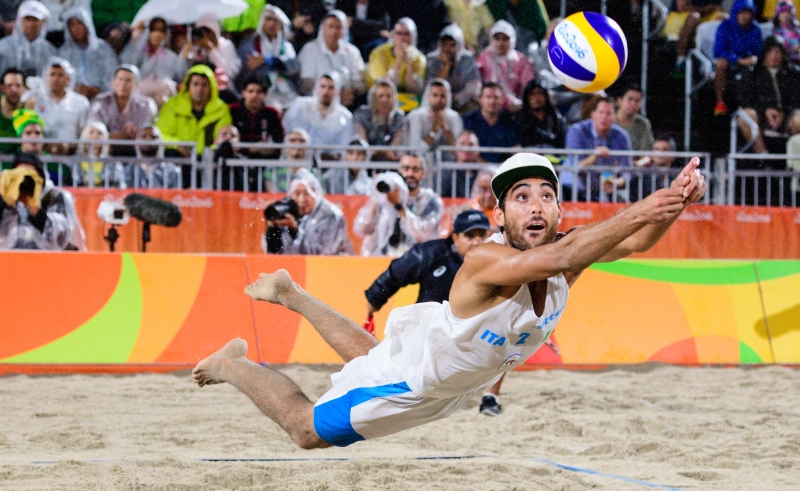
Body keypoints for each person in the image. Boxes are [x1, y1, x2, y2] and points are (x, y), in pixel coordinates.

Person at [192, 153, 707, 449]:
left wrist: (678, 202)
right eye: (520, 196)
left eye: (545, 195)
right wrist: (645, 207)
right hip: (421, 379)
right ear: (500, 215)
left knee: (369, 359)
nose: (535, 205)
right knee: (307, 431)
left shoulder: (567, 257)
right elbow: (571, 249)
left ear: (557, 209)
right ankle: (231, 365)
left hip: (454, 376)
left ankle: (290, 292)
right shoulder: (487, 258)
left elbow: (636, 241)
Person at [364, 208, 491, 322]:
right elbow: (397, 271)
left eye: (482, 235)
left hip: (473, 333)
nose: (477, 242)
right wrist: (374, 298)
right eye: (469, 236)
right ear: (455, 238)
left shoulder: (498, 263)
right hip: (427, 328)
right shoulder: (432, 253)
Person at [353, 154, 443, 256]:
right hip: (380, 259)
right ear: (399, 171)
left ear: (423, 174)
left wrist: (398, 205)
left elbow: (422, 233)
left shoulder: (431, 200)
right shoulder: (385, 197)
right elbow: (360, 230)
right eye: (406, 168)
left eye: (415, 169)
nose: (410, 173)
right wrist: (376, 196)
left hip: (417, 261)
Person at [0, 151, 85, 250]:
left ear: (40, 176)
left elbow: (62, 238)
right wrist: (4, 200)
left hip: (49, 260)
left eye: (29, 176)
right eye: (19, 176)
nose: (24, 181)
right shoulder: (7, 198)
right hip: (9, 259)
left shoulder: (56, 197)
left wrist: (35, 210)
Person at [262, 168, 354, 255]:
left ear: (316, 193)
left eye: (306, 194)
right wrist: (272, 230)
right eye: (297, 194)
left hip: (336, 267)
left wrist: (294, 230)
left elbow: (320, 253)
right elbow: (274, 254)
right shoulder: (288, 212)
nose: (301, 199)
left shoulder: (331, 215)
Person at [156, 64, 233, 158]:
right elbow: (161, 133)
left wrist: (209, 154)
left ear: (211, 87)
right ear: (188, 86)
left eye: (204, 85)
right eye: (195, 84)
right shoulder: (173, 105)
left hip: (209, 162)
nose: (199, 89)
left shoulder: (221, 109)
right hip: (179, 159)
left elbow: (222, 137)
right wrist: (177, 145)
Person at [738, 37, 800, 154]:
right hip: (760, 116)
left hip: (787, 116)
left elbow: (796, 99)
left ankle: (793, 160)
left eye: (777, 52)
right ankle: (763, 156)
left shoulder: (793, 73)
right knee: (746, 115)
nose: (774, 55)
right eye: (770, 51)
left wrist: (783, 112)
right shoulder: (752, 73)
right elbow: (745, 99)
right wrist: (765, 110)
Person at [564, 97, 632, 202]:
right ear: (593, 114)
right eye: (601, 112)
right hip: (574, 188)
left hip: (604, 190)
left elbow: (627, 171)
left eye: (609, 113)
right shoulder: (576, 131)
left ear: (615, 117)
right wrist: (595, 155)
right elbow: (577, 167)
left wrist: (616, 182)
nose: (604, 117)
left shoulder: (622, 136)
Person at [235, 5, 299, 111]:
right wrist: (250, 67)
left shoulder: (286, 46)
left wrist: (268, 61)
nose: (271, 24)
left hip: (284, 91)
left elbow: (293, 67)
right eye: (268, 19)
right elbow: (242, 73)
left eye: (275, 20)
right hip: (259, 91)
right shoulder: (248, 43)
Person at [23, 57, 90, 156]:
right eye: (52, 74)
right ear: (46, 77)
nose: (55, 79)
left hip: (71, 156)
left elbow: (84, 134)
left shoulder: (81, 102)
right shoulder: (33, 98)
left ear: (68, 78)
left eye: (60, 75)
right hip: (40, 154)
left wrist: (69, 147)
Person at [297, 10, 365, 107]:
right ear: (323, 28)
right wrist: (333, 95)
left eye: (338, 28)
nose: (334, 31)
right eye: (330, 26)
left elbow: (359, 83)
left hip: (346, 102)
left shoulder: (352, 52)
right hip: (316, 101)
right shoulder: (310, 49)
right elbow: (305, 84)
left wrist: (350, 91)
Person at [88, 64, 158, 157]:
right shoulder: (100, 102)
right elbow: (94, 136)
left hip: (136, 153)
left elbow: (147, 136)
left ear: (136, 84)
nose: (123, 84)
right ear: (113, 82)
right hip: (106, 152)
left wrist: (133, 134)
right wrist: (123, 136)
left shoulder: (146, 105)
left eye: (128, 80)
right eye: (120, 79)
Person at [121, 17, 188, 107]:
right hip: (139, 100)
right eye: (154, 30)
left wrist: (184, 57)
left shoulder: (171, 57)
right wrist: (135, 38)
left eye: (161, 30)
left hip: (163, 101)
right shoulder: (139, 52)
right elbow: (126, 66)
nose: (157, 34)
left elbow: (180, 76)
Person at [712, 0, 763, 115]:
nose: (745, 16)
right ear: (735, 12)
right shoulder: (724, 26)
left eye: (748, 13)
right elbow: (719, 51)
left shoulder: (756, 30)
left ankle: (750, 106)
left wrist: (753, 59)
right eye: (741, 12)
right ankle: (720, 102)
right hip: (730, 62)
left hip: (747, 64)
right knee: (721, 63)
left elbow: (758, 51)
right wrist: (738, 60)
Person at [57, 7, 118, 99]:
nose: (76, 28)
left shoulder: (102, 47)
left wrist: (99, 89)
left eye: (80, 23)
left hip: (103, 97)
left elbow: (113, 73)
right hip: (74, 99)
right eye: (72, 25)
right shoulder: (64, 52)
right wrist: (77, 89)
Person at [282, 73, 354, 148]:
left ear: (337, 91)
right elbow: (287, 133)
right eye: (322, 86)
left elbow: (344, 147)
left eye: (331, 88)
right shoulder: (300, 106)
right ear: (316, 88)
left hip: (329, 159)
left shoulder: (346, 117)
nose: (326, 92)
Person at [475, 21, 534, 112]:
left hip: (517, 107)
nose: (501, 43)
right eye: (497, 39)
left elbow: (528, 84)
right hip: (491, 106)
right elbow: (479, 86)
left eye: (505, 39)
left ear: (512, 40)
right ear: (491, 40)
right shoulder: (483, 58)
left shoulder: (520, 59)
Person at [425, 24, 481, 115]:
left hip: (461, 102)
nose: (447, 49)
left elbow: (473, 88)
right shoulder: (432, 58)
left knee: (474, 105)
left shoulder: (467, 58)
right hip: (438, 101)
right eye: (444, 44)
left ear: (459, 45)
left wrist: (455, 98)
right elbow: (431, 87)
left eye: (452, 45)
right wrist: (446, 65)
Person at [366, 18, 426, 98]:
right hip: (380, 97)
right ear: (393, 35)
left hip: (409, 99)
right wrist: (398, 60)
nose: (403, 38)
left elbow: (417, 90)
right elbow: (382, 86)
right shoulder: (378, 53)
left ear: (413, 37)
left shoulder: (419, 58)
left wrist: (408, 62)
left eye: (407, 34)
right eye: (399, 33)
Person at [229, 75, 285, 158]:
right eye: (250, 91)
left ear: (265, 94)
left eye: (259, 92)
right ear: (243, 93)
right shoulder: (232, 110)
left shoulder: (272, 114)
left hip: (264, 162)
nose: (254, 95)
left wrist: (270, 148)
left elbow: (280, 141)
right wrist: (250, 148)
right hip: (236, 160)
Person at [463, 83, 520, 163]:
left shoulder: (508, 120)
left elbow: (515, 147)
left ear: (502, 99)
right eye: (488, 97)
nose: (492, 101)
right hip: (476, 168)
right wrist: (487, 167)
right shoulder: (469, 119)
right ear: (480, 99)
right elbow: (465, 149)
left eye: (496, 97)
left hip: (502, 169)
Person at [0, 1, 57, 77]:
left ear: (43, 22)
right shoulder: (3, 47)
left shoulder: (50, 51)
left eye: (35, 20)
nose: (31, 24)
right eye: (27, 19)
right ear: (20, 21)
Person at [353, 78, 405, 161]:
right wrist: (384, 152)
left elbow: (394, 150)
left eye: (388, 96)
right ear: (374, 98)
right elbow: (362, 146)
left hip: (390, 164)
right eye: (381, 96)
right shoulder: (362, 114)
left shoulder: (398, 117)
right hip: (366, 163)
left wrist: (379, 151)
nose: (384, 100)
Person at [405, 79, 463, 152]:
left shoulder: (454, 117)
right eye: (435, 95)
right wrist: (434, 130)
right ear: (428, 96)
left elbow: (458, 151)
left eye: (443, 96)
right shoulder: (416, 116)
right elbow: (415, 151)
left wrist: (445, 127)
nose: (439, 99)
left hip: (448, 162)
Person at [123, 124, 181, 189]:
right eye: (144, 136)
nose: (148, 139)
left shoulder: (172, 171)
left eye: (153, 137)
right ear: (138, 142)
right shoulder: (128, 170)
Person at [515, 79, 567, 149]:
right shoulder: (520, 120)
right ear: (527, 98)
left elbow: (562, 141)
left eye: (540, 93)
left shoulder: (556, 118)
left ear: (546, 96)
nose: (537, 98)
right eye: (532, 94)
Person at [485, 0, 550, 50]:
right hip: (502, 48)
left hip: (528, 46)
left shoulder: (533, 3)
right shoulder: (494, 2)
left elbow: (542, 28)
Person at [263, 128, 313, 192]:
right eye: (292, 140)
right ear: (285, 145)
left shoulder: (314, 172)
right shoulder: (272, 170)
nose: (297, 144)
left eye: (301, 140)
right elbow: (273, 194)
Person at [441, 130, 485, 198]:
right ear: (455, 148)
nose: (466, 148)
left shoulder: (483, 173)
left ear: (478, 150)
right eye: (462, 144)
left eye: (471, 144)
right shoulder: (445, 172)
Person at [615, 85, 654, 154]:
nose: (633, 103)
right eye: (630, 99)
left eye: (637, 101)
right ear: (619, 101)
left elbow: (646, 152)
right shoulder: (607, 120)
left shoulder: (643, 124)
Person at [0, 68, 26, 155]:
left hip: (20, 160)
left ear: (24, 88)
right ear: (2, 88)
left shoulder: (28, 110)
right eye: (9, 85)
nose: (14, 90)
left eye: (18, 85)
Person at [772, 0, 800, 66]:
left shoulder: (797, 29)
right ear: (778, 14)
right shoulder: (774, 31)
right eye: (783, 12)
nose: (785, 15)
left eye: (788, 12)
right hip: (783, 64)